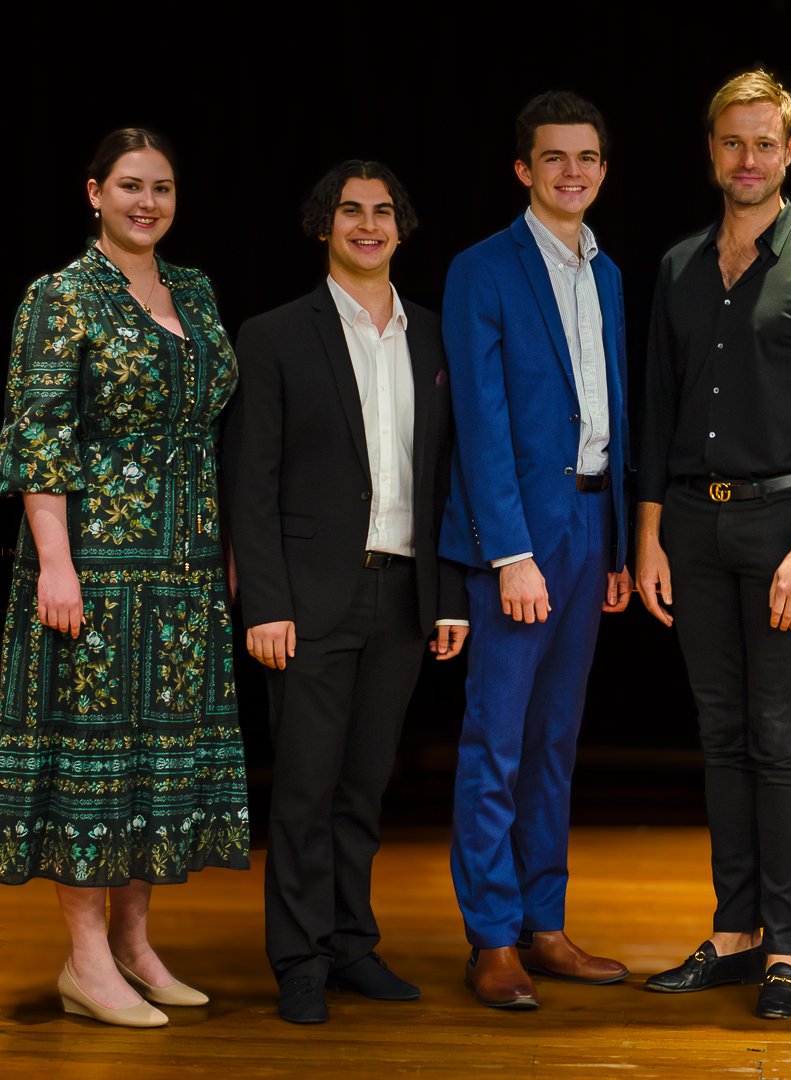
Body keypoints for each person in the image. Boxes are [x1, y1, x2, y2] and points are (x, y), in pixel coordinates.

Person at [0, 128, 247, 1028]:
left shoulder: (193, 290)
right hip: (95, 570)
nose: (149, 203)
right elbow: (38, 438)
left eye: (165, 188)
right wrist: (54, 564)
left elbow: (214, 429)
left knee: (155, 767)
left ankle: (136, 947)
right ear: (95, 192)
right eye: (132, 187)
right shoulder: (59, 297)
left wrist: (222, 546)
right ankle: (85, 962)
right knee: (93, 766)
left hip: (182, 574)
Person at [635, 70, 791, 1021]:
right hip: (691, 524)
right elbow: (656, 409)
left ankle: (787, 950)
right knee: (721, 736)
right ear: (712, 151)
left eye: (765, 143)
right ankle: (732, 937)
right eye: (733, 142)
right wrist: (648, 537)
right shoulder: (680, 265)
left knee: (778, 739)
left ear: (790, 151)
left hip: (785, 526)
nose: (748, 159)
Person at [224, 160, 469, 1024]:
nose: (368, 224)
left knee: (365, 788)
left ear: (402, 227)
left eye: (383, 211)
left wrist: (451, 595)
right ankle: (297, 960)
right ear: (323, 225)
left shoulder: (438, 337)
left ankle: (351, 945)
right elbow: (249, 482)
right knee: (303, 790)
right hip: (309, 598)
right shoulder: (274, 334)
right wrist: (265, 604)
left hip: (404, 593)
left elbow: (450, 478)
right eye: (349, 211)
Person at [441, 91, 634, 1010]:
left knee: (556, 741)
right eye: (553, 158)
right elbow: (478, 425)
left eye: (586, 158)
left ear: (602, 167)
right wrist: (509, 552)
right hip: (520, 535)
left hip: (592, 527)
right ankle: (492, 937)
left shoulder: (610, 275)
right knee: (499, 740)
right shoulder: (483, 270)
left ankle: (544, 923)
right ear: (524, 169)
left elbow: (614, 414)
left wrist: (623, 545)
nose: (571, 173)